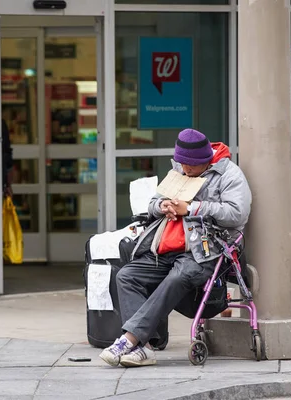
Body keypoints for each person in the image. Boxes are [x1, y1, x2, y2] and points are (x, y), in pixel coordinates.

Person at [99, 128, 252, 368]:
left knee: (177, 276)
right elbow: (151, 204)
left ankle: (129, 340)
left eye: (191, 166)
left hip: (206, 250)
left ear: (206, 161)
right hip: (169, 245)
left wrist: (191, 209)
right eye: (182, 164)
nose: (186, 170)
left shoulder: (230, 174)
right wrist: (163, 206)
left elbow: (237, 213)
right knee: (127, 276)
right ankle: (144, 348)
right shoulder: (178, 170)